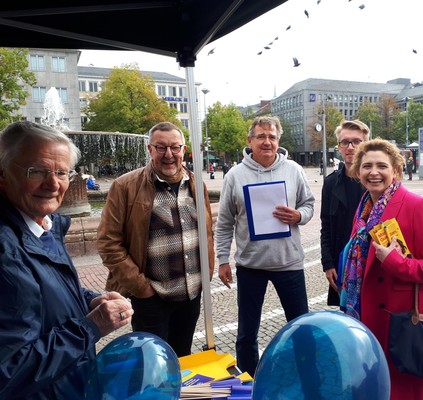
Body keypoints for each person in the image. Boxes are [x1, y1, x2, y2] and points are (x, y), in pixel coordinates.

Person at [0, 121, 133, 399]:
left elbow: (45, 295)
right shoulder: (6, 253)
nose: (53, 183)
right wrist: (91, 326)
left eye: (61, 172)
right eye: (36, 171)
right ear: (3, 174)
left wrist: (89, 301)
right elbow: (9, 371)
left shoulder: (43, 226)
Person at [97, 121, 215, 357]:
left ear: (184, 150)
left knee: (182, 356)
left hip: (190, 294)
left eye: (175, 147)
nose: (168, 154)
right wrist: (143, 289)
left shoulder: (195, 183)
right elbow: (108, 243)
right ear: (150, 150)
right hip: (152, 297)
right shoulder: (125, 186)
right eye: (161, 148)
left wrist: (206, 275)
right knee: (152, 362)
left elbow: (207, 232)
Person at [215, 116, 315, 377]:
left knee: (300, 327)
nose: (267, 141)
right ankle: (249, 380)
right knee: (247, 332)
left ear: (278, 140)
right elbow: (224, 222)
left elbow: (309, 204)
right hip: (251, 266)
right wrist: (222, 259)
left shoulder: (293, 170)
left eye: (271, 136)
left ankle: (305, 376)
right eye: (261, 136)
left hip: (289, 263)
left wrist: (299, 216)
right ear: (250, 141)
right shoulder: (235, 175)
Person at [338, 138, 423, 398]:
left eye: (382, 166)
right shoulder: (365, 207)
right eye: (367, 166)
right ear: (357, 171)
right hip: (366, 314)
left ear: (395, 170)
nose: (374, 172)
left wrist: (395, 262)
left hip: (400, 320)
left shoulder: (415, 206)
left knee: (402, 388)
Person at [320, 120, 370, 306]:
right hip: (342, 263)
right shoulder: (331, 183)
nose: (350, 147)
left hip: (371, 263)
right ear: (339, 147)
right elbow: (326, 227)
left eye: (356, 141)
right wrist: (328, 264)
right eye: (345, 142)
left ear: (365, 145)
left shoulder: (375, 182)